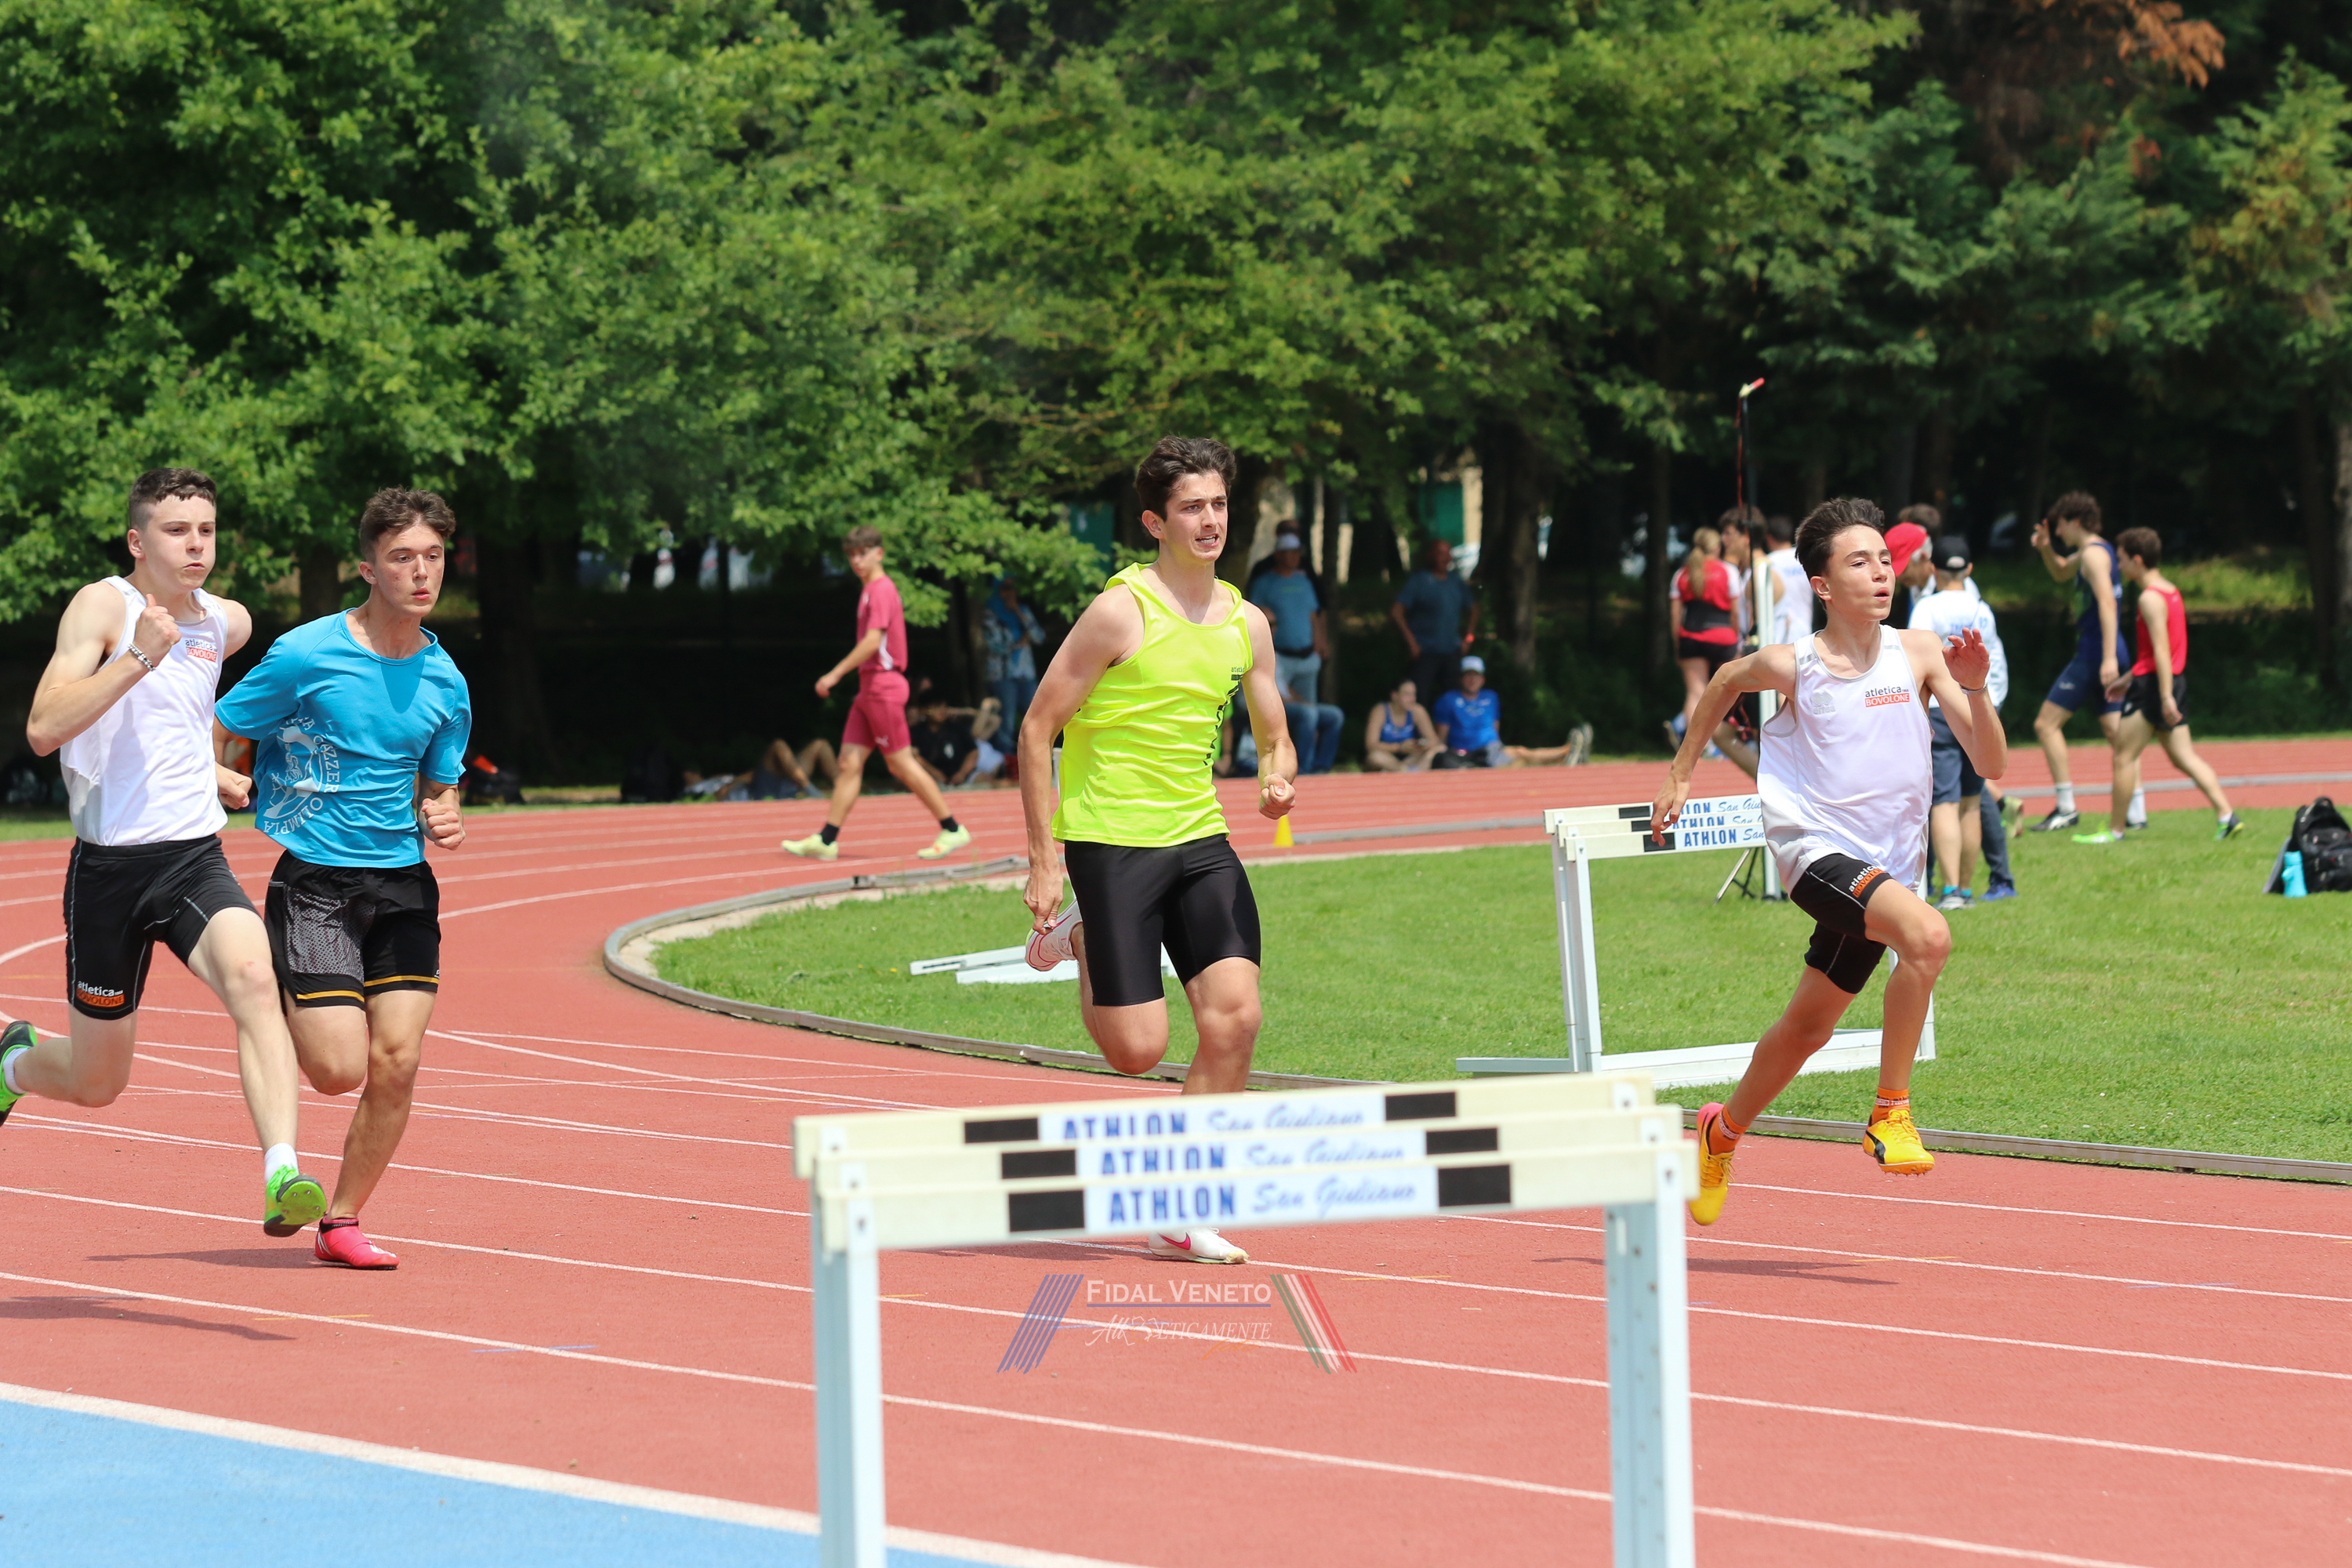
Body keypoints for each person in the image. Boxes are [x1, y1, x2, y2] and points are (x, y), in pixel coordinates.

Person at [1653, 497, 2004, 1226]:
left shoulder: (1920, 652)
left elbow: (1992, 762)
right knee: (1929, 936)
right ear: (1822, 585)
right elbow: (1724, 679)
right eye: (1859, 562)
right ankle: (1891, 1111)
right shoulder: (1795, 664)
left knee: (1809, 1027)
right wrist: (1681, 773)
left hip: (1886, 870)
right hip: (1813, 853)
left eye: (1885, 560)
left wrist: (1974, 689)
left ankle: (1721, 1132)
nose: (1880, 574)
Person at [0, 468, 325, 1239]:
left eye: (206, 530)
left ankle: (283, 1172)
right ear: (137, 541)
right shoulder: (103, 606)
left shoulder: (225, 621)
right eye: (177, 531)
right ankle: (12, 1061)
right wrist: (138, 657)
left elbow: (177, 713)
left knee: (256, 977)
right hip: (109, 872)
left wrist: (208, 769)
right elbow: (43, 728)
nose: (195, 545)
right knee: (98, 1081)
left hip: (191, 858)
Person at [1018, 437, 1297, 1265]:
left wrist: (1277, 776)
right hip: (1112, 842)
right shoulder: (1120, 612)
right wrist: (1044, 860)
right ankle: (1081, 936)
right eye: (1190, 508)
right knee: (1136, 1051)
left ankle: (1181, 1207)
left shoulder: (1248, 623)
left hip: (1199, 838)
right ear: (1155, 522)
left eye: (1218, 504)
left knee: (1236, 1016)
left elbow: (1274, 734)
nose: (1210, 520)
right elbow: (1037, 729)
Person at [213, 488, 471, 1270]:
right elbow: (219, 725)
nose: (421, 572)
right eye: (402, 557)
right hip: (317, 882)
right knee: (336, 1070)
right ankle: (269, 1000)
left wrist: (445, 811)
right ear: (368, 569)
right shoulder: (305, 653)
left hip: (404, 886)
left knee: (399, 1060)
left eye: (432, 557)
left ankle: (341, 1220)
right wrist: (217, 776)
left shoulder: (446, 680)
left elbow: (441, 784)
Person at [782, 525, 971, 862]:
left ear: (879, 553)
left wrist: (834, 674)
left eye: (863, 553)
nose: (857, 560)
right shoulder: (869, 590)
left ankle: (952, 828)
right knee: (848, 764)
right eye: (852, 555)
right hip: (868, 690)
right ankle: (827, 839)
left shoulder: (881, 589)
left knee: (900, 762)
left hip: (883, 687)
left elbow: (873, 641)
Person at [2073, 527, 2246, 845]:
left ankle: (2115, 830)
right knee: (2183, 757)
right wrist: (2128, 679)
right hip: (2169, 681)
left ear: (2138, 560)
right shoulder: (2170, 591)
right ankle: (2227, 816)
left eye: (2122, 560)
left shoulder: (2150, 599)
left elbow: (2162, 651)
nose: (2119, 567)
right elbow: (2157, 654)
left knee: (2123, 757)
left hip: (2155, 687)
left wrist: (2164, 696)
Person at [2027, 492, 2144, 833]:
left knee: (2045, 725)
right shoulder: (2097, 551)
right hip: (2108, 650)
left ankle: (2066, 808)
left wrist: (2107, 658)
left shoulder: (2093, 556)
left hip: (2096, 653)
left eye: (2060, 525)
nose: (2058, 532)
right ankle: (2136, 811)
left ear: (2075, 522)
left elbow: (2108, 603)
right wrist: (2045, 549)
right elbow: (2062, 572)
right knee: (2117, 735)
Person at [1911, 535, 2017, 908]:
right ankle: (1967, 889)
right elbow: (1994, 659)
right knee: (1971, 801)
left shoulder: (1927, 607)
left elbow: (1917, 659)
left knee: (1943, 801)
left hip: (1943, 709)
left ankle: (1951, 890)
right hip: (1979, 703)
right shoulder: (1982, 608)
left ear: (1932, 569)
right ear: (1969, 569)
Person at [1247, 528, 1343, 774]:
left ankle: (1308, 766)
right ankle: (1282, 764)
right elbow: (1255, 614)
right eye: (1289, 552)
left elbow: (1314, 615)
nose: (1294, 556)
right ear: (1278, 554)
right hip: (1278, 656)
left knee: (1309, 712)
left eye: (1297, 552)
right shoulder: (1265, 583)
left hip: (1306, 655)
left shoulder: (1304, 580)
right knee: (1280, 713)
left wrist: (1321, 642)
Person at [1432, 659, 1584, 768]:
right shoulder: (1449, 700)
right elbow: (1442, 733)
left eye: (1476, 675)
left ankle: (1567, 753)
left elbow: (1494, 726)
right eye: (1468, 675)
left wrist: (1496, 745)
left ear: (1482, 679)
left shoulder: (1491, 697)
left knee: (1520, 753)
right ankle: (1567, 753)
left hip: (1492, 748)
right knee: (1520, 755)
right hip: (1468, 752)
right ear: (1461, 678)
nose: (1472, 679)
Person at [1667, 525, 1738, 752]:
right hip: (1722, 636)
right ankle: (1728, 743)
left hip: (1690, 636)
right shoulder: (1728, 571)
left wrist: (1678, 646)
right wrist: (1737, 638)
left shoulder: (1682, 574)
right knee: (1731, 690)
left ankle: (1695, 749)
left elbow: (1675, 615)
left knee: (1695, 693)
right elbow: (1736, 612)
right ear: (1716, 548)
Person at [1391, 537, 1478, 704]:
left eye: (1448, 554)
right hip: (1424, 652)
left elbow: (1474, 610)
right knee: (1417, 699)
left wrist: (1468, 639)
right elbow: (1396, 611)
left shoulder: (1456, 581)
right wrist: (1411, 642)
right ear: (1430, 555)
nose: (1445, 558)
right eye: (1440, 553)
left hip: (1452, 652)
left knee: (1454, 700)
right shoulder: (1419, 581)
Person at [982, 577, 1044, 739]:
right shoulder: (990, 614)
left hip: (1026, 673)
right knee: (1007, 721)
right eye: (1006, 588)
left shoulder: (1023, 611)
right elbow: (995, 645)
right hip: (1003, 675)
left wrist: (1018, 612)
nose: (1011, 593)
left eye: (1013, 589)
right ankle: (1005, 753)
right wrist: (1019, 643)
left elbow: (1039, 638)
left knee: (1036, 716)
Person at [684, 738, 839, 800]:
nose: (693, 773)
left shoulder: (712, 779)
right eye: (690, 772)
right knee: (778, 746)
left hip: (779, 778)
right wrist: (740, 780)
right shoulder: (697, 790)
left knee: (820, 745)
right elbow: (721, 795)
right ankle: (808, 788)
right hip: (760, 788)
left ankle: (841, 788)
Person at [1363, 677, 1440, 771]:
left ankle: (1410, 772)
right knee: (1375, 757)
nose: (1412, 699)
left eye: (1414, 694)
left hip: (1411, 758)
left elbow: (1434, 741)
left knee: (1439, 749)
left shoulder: (1417, 711)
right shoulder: (1381, 711)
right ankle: (1405, 771)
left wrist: (1421, 745)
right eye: (1407, 694)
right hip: (1388, 758)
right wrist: (1399, 747)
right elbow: (1371, 745)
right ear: (1394, 695)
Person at [1761, 514, 1814, 647]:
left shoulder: (1767, 563)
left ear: (1769, 538)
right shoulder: (1804, 559)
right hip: (1806, 630)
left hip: (1779, 635)